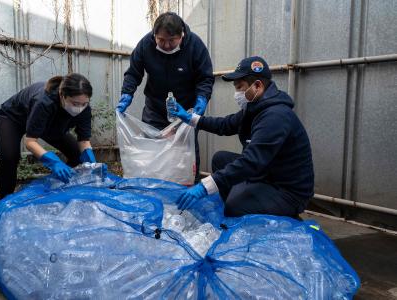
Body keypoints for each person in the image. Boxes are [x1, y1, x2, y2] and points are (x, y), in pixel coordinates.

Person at [170, 56, 314, 218]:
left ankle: (249, 210)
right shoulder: (255, 108)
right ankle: (243, 204)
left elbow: (251, 161)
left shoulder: (275, 116)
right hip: (267, 172)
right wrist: (191, 119)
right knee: (220, 159)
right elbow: (225, 125)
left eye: (240, 87)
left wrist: (206, 186)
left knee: (235, 206)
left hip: (287, 190)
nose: (237, 94)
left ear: (257, 86)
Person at [116, 12, 214, 180]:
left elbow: (205, 77)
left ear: (182, 34)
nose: (167, 45)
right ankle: (153, 187)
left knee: (185, 152)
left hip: (185, 109)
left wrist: (202, 99)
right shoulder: (146, 45)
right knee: (152, 151)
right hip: (155, 108)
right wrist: (126, 93)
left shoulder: (195, 45)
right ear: (154, 35)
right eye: (161, 40)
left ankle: (188, 186)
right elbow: (133, 73)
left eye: (172, 40)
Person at [0, 73, 106, 199]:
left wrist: (93, 165)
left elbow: (84, 140)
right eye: (75, 104)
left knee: (77, 154)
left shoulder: (84, 109)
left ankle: (67, 188)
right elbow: (30, 141)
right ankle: (5, 201)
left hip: (50, 125)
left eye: (84, 104)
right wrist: (54, 162)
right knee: (9, 157)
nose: (80, 108)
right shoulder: (44, 101)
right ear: (62, 95)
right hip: (13, 119)